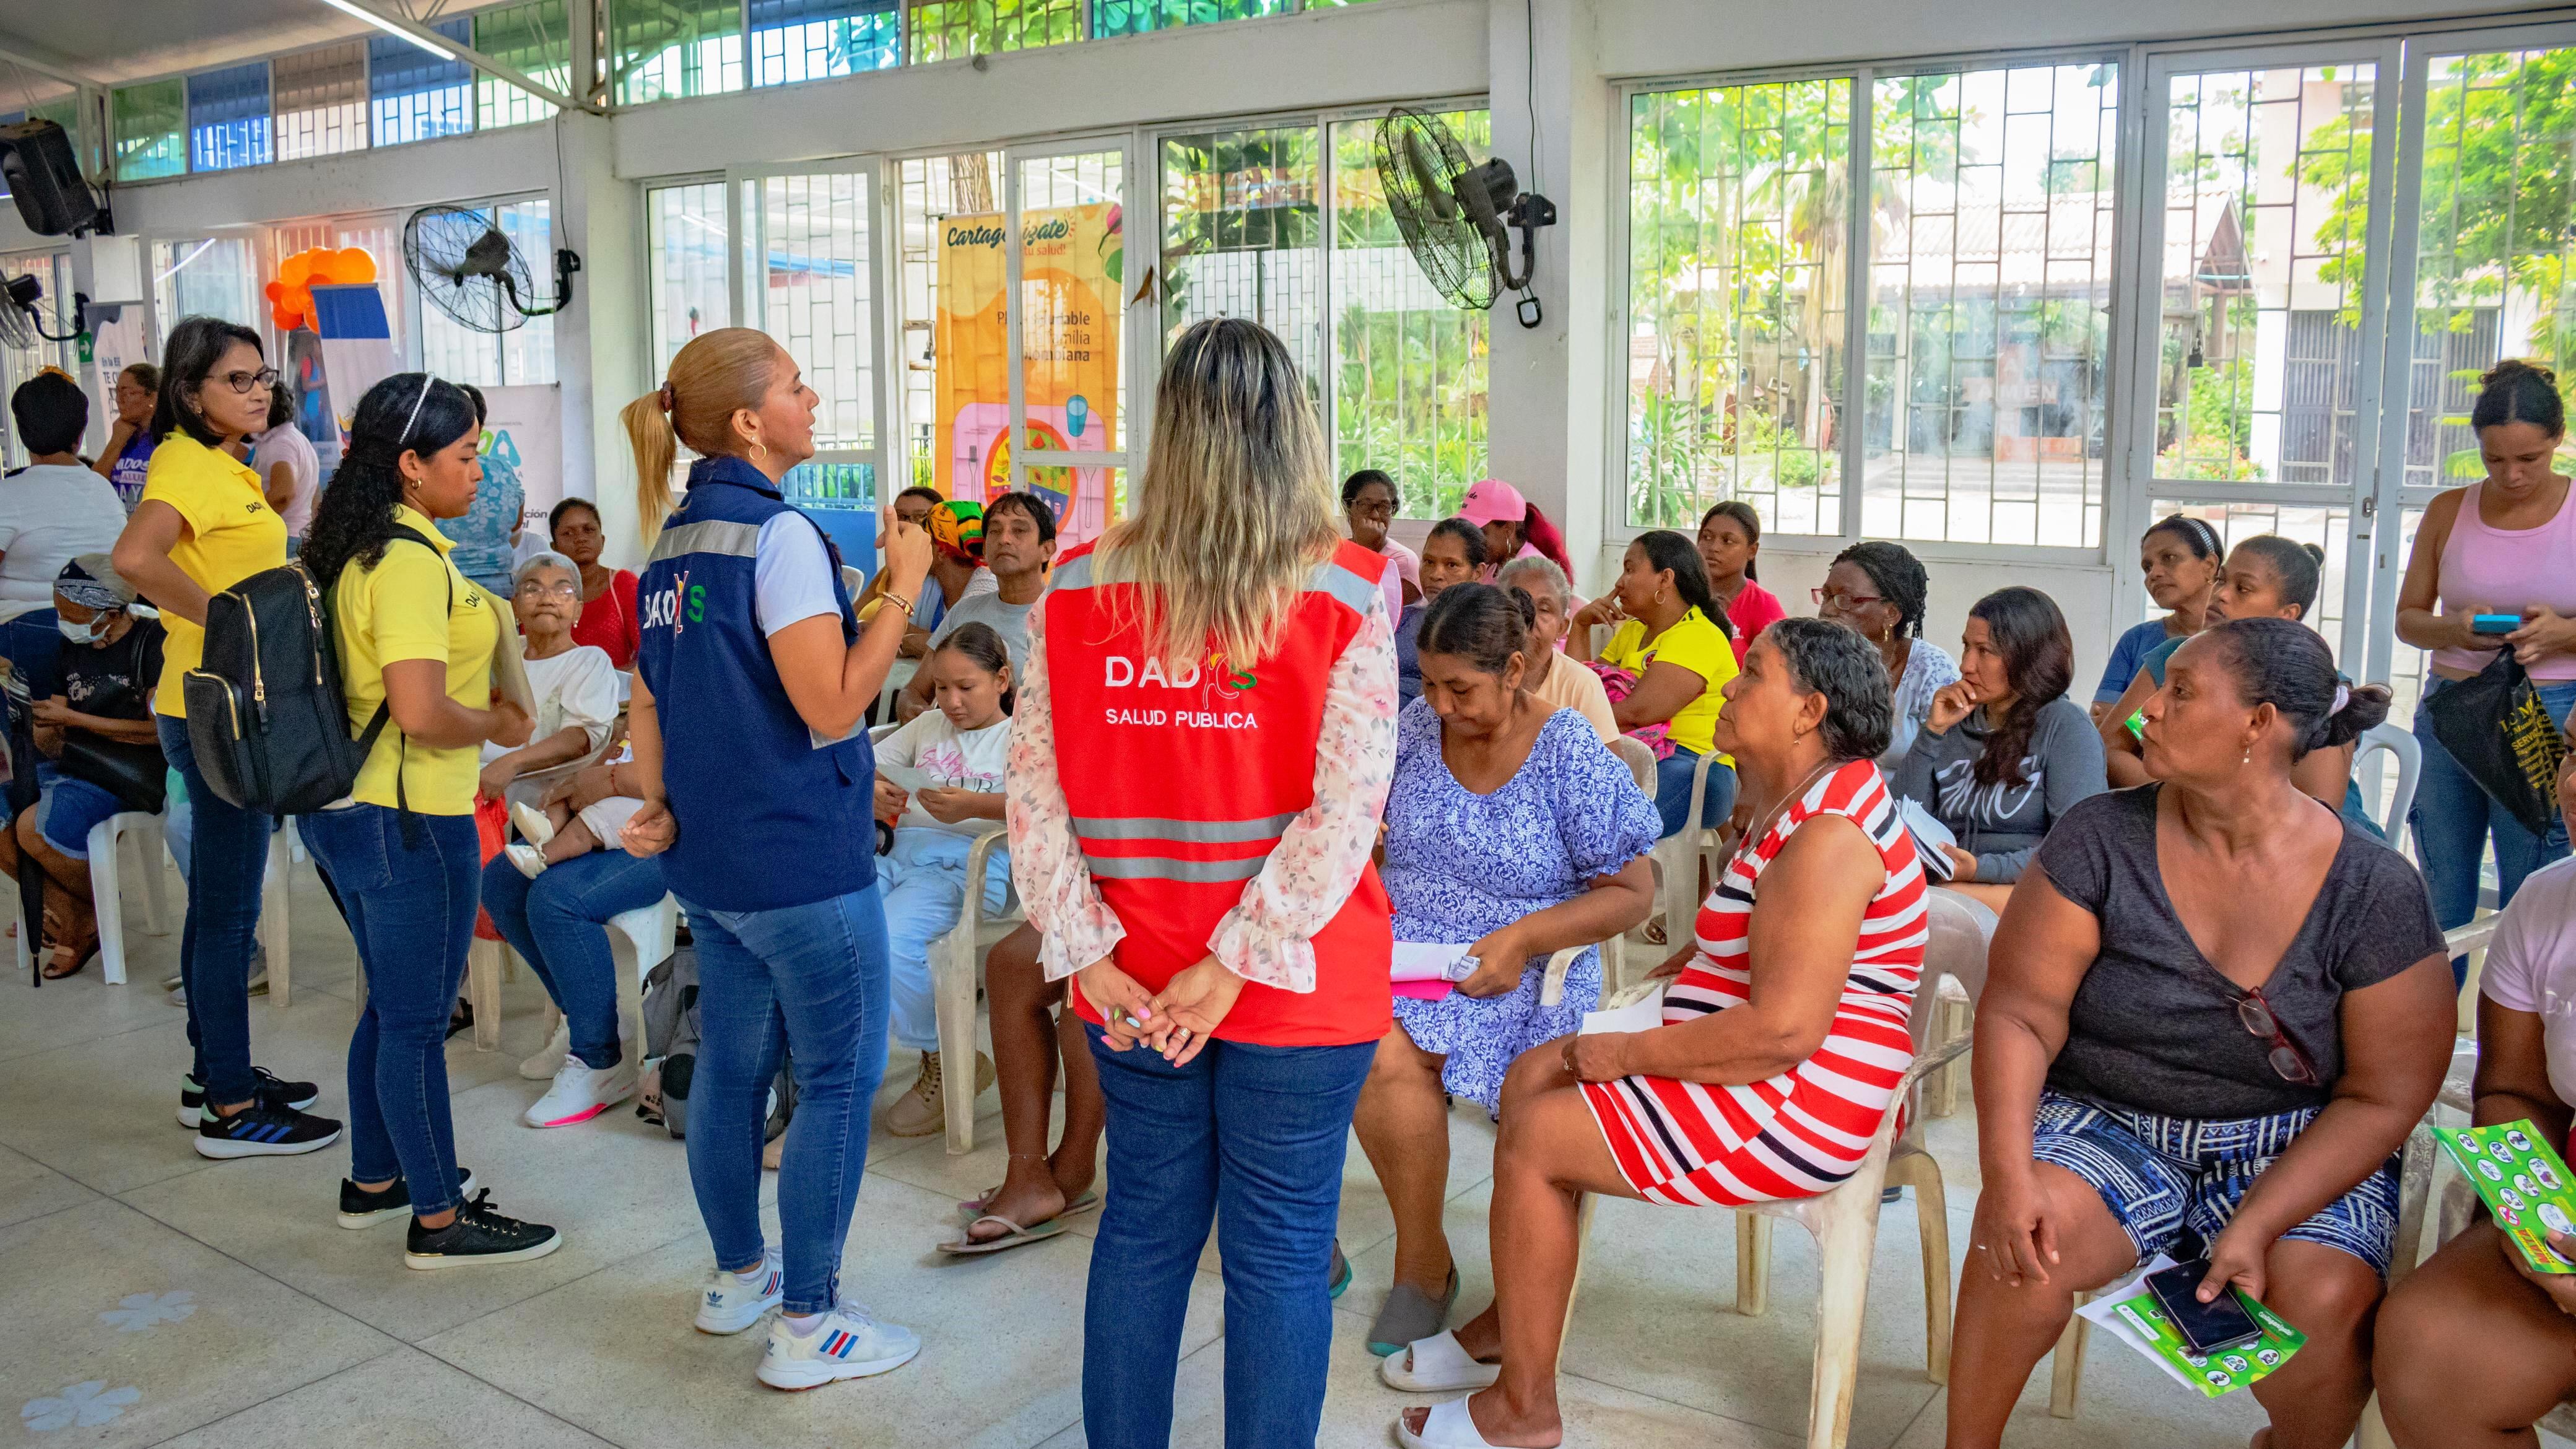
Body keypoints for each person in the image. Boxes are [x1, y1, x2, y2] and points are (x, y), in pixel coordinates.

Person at [1384, 618, 1923, 1449]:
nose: (1733, 688)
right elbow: (1739, 947)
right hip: (1765, 1061)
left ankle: (1523, 1409)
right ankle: (1510, 1322)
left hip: (1798, 1099)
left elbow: (1782, 1031)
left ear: (1809, 711)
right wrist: (1648, 1002)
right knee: (1534, 1074)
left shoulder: (1829, 838)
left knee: (1537, 1130)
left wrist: (1620, 1049)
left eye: (1755, 675)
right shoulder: (1799, 799)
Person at [1005, 316, 1398, 1448]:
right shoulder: (1348, 587)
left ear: (1167, 432)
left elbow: (1034, 796)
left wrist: (1089, 953)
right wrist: (1234, 965)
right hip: (1293, 983)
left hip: (1132, 979)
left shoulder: (1075, 587)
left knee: (1142, 1229)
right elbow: (1345, 812)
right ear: (1297, 432)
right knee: (1277, 1251)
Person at [1946, 617, 2454, 1449]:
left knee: (2321, 1302)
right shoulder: (2100, 839)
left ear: (2261, 723)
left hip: (2290, 1140)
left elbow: (2386, 1093)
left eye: (2181, 693)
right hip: (2107, 1118)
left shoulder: (2371, 888)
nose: (2148, 713)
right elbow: (2020, 1014)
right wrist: (2006, 1174)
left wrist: (2257, 1222)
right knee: (2025, 1240)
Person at [617, 326, 934, 1390]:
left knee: (733, 1068)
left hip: (710, 864)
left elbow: (649, 700)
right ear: (751, 420)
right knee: (842, 1079)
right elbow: (835, 701)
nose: (812, 397)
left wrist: (658, 806)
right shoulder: (780, 536)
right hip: (801, 865)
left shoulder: (669, 543)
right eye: (796, 386)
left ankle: (738, 1276)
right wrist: (901, 587)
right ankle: (812, 1322)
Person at [1354, 582, 1658, 1357]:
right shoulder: (1415, 731)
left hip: (1531, 963)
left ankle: (1516, 1284)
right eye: (1428, 681)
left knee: (1528, 1107)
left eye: (1461, 688)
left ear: (1516, 668)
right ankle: (1422, 1264)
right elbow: (1370, 832)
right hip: (1414, 956)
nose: (1441, 704)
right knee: (1371, 1053)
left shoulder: (1566, 753)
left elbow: (1631, 892)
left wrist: (1522, 939)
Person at [294, 372, 554, 1265]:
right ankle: (441, 1218)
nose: (479, 472)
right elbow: (420, 710)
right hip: (410, 816)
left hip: (354, 811)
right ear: (410, 464)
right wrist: (501, 724)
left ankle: (375, 1180)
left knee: (388, 1009)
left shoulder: (364, 549)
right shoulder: (403, 564)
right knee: (413, 1024)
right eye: (466, 455)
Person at [111, 316, 336, 1156]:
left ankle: (214, 1076)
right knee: (230, 906)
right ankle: (234, 1114)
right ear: (188, 392)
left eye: (261, 376)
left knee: (217, 898)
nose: (259, 391)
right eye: (236, 380)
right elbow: (135, 558)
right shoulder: (182, 463)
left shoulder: (219, 464)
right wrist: (229, 626)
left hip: (209, 701)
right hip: (218, 710)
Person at [2373, 814, 2576, 1447]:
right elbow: (2516, 1091)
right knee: (2431, 1352)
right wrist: (2530, 1215)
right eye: (2571, 752)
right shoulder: (2548, 901)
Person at [2396, 359, 2576, 941]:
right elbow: (2408, 620)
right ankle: (2432, 1029)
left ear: (2558, 439)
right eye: (2495, 460)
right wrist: (2454, 629)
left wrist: (2563, 635)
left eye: (2530, 460)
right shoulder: (2449, 510)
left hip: (2552, 714)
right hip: (2454, 708)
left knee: (2534, 889)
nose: (2513, 475)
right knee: (2440, 895)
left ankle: (2520, 1027)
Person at [2099, 537, 2386, 838]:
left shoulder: (2310, 686)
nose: (2220, 594)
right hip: (2191, 829)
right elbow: (2113, 747)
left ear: (2286, 615)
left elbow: (2318, 809)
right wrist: (2187, 807)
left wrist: (2207, 808)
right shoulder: (2173, 662)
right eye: (2221, 579)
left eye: (2243, 589)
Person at [872, 621, 1013, 1138]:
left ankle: (945, 1055)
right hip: (901, 856)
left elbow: (1049, 807)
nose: (951, 701)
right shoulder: (928, 727)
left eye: (966, 687)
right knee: (834, 921)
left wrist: (974, 806)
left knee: (889, 937)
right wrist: (874, 791)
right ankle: (839, 1058)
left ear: (1002, 680)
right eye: (942, 687)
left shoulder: (1022, 736)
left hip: (972, 869)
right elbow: (863, 764)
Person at [1892, 586, 2104, 915]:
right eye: (1966, 647)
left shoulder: (2065, 727)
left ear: (2028, 656)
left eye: (1985, 651)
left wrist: (1979, 869)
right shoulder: (1954, 722)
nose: (1966, 666)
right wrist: (1932, 733)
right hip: (1946, 887)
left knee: (1931, 907)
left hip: (2030, 892)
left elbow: (2076, 849)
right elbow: (1900, 816)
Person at [0, 557, 164, 978]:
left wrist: (77, 722)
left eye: (72, 615)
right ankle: (83, 913)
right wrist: (28, 712)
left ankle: (76, 921)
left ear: (111, 613)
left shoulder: (152, 644)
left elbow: (157, 734)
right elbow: (53, 738)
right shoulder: (73, 648)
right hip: (76, 764)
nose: (64, 623)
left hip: (131, 772)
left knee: (32, 827)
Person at [487, 752, 669, 1111]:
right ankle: (583, 1017)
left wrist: (610, 780)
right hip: (623, 802)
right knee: (501, 881)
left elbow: (697, 773)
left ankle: (600, 1060)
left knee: (555, 899)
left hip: (676, 830)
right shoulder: (648, 697)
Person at [944, 918, 1107, 1251]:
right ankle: (1027, 1170)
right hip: (1102, 895)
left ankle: (1075, 1164)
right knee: (1010, 965)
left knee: (1082, 989)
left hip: (1176, 905)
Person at [1568, 529, 1741, 838]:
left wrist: (1573, 719)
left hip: (1694, 767)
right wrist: (1579, 627)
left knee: (1602, 828)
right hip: (1636, 754)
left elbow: (1639, 713)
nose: (1620, 582)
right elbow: (1582, 685)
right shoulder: (1633, 632)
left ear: (1665, 579)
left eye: (1631, 569)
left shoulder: (1697, 634)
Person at [0, 370, 127, 700]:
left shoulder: (9, 494)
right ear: (80, 433)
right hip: (103, 632)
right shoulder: (102, 488)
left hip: (28, 632)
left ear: (23, 432)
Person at [479, 551, 617, 817]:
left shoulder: (589, 660)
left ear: (578, 608)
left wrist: (511, 764)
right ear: (515, 606)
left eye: (562, 589)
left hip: (527, 789)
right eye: (532, 589)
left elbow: (579, 739)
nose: (547, 598)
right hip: (470, 773)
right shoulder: (502, 653)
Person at [897, 490, 1052, 720]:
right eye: (995, 531)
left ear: (1047, 550)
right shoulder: (965, 611)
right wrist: (917, 713)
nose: (1004, 539)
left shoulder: (1067, 617)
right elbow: (914, 691)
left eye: (1019, 530)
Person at [1817, 539, 1957, 770]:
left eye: (1846, 600)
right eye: (1826, 596)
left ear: (1891, 614)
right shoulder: (1814, 661)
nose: (1827, 610)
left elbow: (1948, 767)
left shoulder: (1930, 670)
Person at [2092, 513, 2220, 719]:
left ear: (2210, 566)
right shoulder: (2136, 640)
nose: (2154, 574)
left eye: (2169, 558)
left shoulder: (2235, 647)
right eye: (2147, 567)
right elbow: (2101, 721)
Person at [1494, 555, 1616, 744]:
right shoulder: (1479, 675)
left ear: (1561, 627)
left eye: (1544, 609)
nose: (1529, 619)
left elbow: (1610, 770)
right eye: (1518, 605)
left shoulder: (1582, 684)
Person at [442, 383, 522, 596]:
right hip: (499, 588)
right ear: (482, 425)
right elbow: (517, 527)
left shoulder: (432, 471)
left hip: (446, 585)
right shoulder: (503, 470)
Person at [1399, 518, 1487, 703]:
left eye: (1451, 565)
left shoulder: (1485, 633)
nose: (1436, 575)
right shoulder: (1404, 618)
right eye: (1429, 562)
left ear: (1478, 573)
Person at [897, 499, 998, 658]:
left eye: (925, 540)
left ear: (941, 551)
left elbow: (968, 655)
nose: (917, 547)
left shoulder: (985, 592)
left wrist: (910, 642)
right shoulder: (931, 584)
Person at [550, 498, 639, 668]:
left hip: (617, 691)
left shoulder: (623, 584)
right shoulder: (545, 595)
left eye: (589, 530)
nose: (580, 539)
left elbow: (649, 654)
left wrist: (601, 683)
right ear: (554, 547)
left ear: (602, 540)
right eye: (568, 533)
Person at [1698, 500, 1786, 645]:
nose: (1714, 547)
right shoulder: (1681, 596)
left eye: (1728, 541)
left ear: (1752, 551)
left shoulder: (1763, 606)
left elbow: (1780, 663)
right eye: (1707, 537)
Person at [1458, 477, 1575, 580]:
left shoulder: (1531, 574)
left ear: (1508, 529)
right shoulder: (1494, 564)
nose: (1471, 540)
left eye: (1481, 532)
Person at [1346, 468, 1422, 621]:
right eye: (1366, 506)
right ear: (1348, 507)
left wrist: (1366, 549)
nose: (1375, 515)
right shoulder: (1334, 551)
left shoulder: (1402, 560)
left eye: (1384, 507)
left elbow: (1371, 612)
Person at [250, 380, 320, 544]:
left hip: (286, 536)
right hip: (299, 534)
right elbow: (316, 493)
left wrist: (255, 523)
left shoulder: (280, 443)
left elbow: (283, 494)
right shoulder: (296, 438)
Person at [92, 361, 159, 511]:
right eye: (117, 392)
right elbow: (95, 483)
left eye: (127, 392)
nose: (119, 400)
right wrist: (116, 442)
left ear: (152, 398)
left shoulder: (165, 441)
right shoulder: (124, 438)